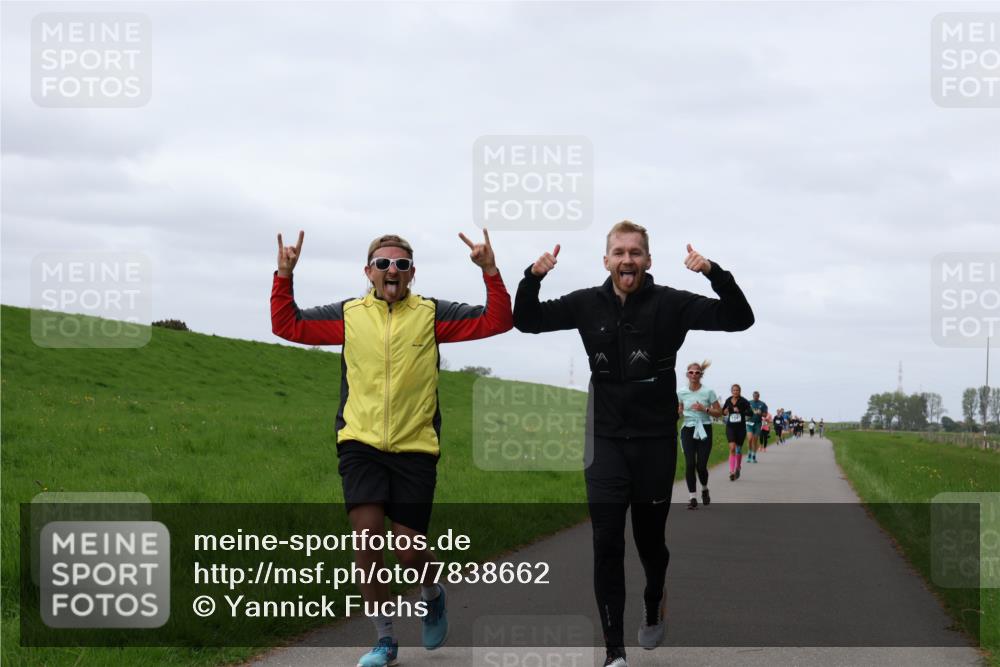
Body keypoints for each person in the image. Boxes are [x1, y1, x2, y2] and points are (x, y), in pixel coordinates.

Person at [513, 221, 753, 667]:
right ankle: (613, 653)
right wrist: (532, 278)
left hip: (654, 443)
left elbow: (740, 318)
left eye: (636, 253)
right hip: (604, 440)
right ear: (606, 261)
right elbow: (526, 322)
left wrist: (714, 273)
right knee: (606, 542)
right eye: (619, 252)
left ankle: (654, 596)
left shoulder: (672, 305)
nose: (628, 260)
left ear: (648, 261)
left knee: (649, 544)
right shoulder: (586, 303)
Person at [271, 230, 513, 667]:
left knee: (407, 549)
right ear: (368, 272)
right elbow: (287, 325)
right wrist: (284, 275)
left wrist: (490, 271)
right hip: (359, 442)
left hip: (415, 446)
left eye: (401, 265)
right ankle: (384, 640)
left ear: (412, 274)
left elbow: (497, 320)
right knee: (366, 541)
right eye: (382, 264)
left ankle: (431, 592)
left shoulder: (433, 315)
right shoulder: (348, 315)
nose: (392, 271)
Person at [677, 360, 722, 510]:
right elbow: (679, 410)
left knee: (701, 465)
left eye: (697, 372)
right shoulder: (681, 392)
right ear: (687, 374)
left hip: (704, 428)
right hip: (688, 429)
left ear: (701, 375)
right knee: (690, 463)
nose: (694, 375)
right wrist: (677, 413)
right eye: (691, 372)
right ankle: (692, 497)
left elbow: (719, 412)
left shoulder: (708, 392)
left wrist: (705, 409)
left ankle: (704, 488)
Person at [721, 385, 753, 480]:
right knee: (732, 448)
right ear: (731, 391)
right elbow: (723, 412)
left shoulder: (744, 401)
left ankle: (738, 467)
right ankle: (731, 471)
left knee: (738, 449)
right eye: (734, 390)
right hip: (730, 427)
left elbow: (750, 413)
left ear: (740, 391)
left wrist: (741, 411)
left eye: (737, 390)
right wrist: (725, 411)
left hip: (740, 428)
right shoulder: (728, 400)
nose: (735, 392)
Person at [746, 391, 768, 463]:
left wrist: (761, 413)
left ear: (759, 396)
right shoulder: (749, 403)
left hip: (758, 424)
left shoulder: (762, 404)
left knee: (755, 440)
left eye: (757, 396)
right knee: (749, 439)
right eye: (754, 396)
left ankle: (754, 456)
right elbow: (745, 411)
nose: (755, 397)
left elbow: (765, 415)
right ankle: (749, 453)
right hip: (749, 423)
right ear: (753, 396)